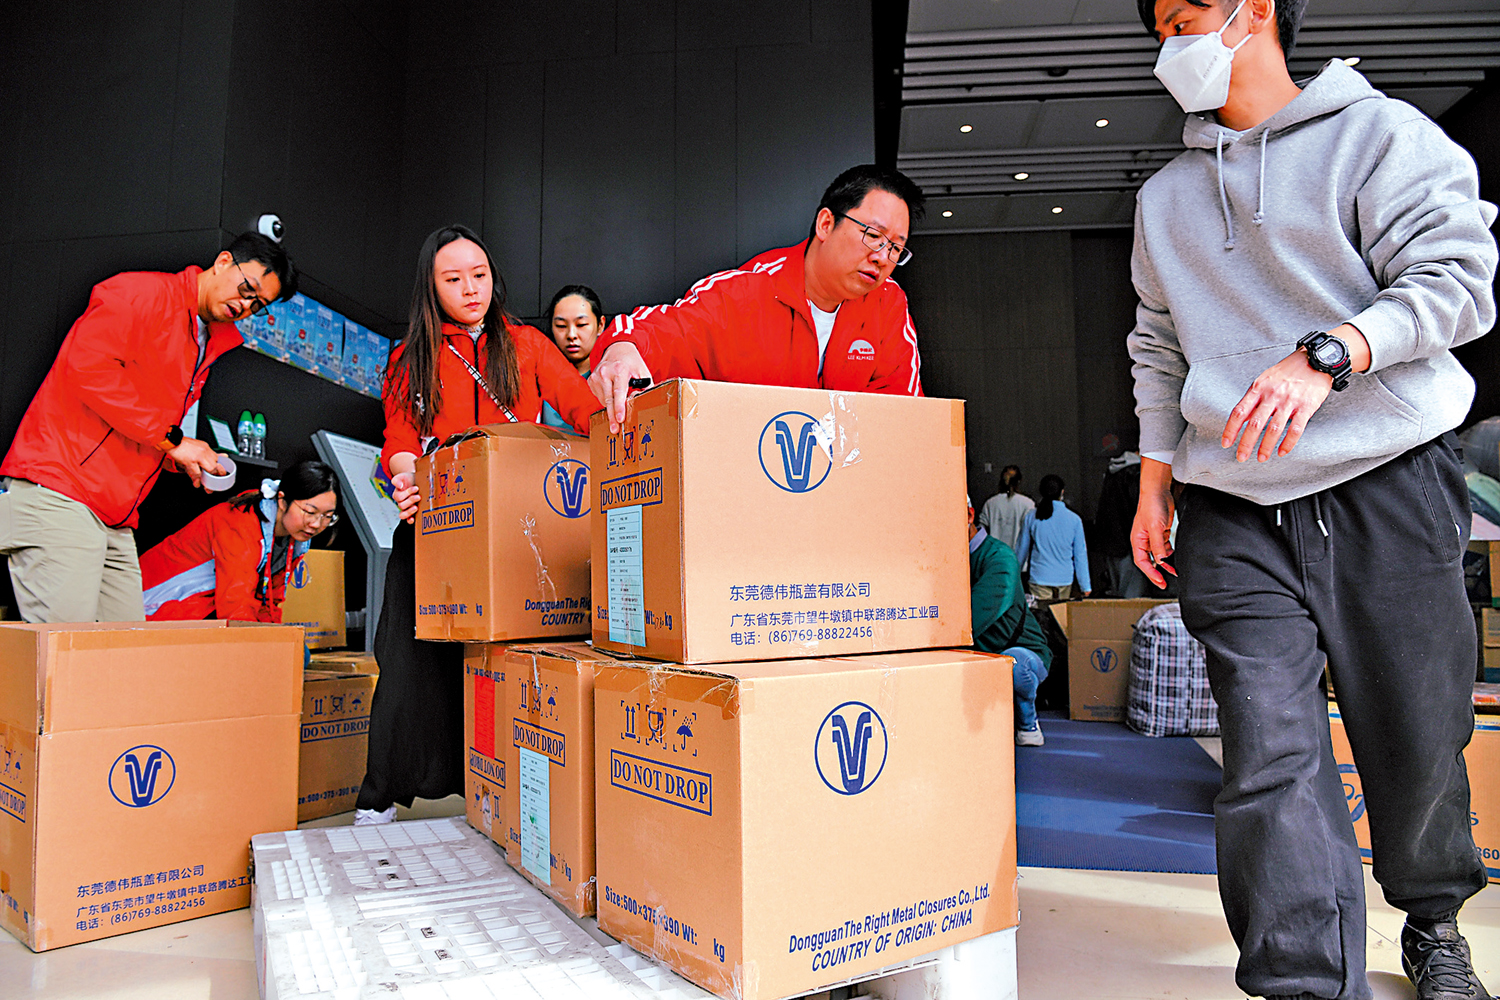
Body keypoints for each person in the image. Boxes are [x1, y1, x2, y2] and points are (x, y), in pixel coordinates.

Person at [1128, 1, 1497, 998]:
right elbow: (1157, 342)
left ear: (1255, 10)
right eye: (1161, 27)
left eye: (1187, 18)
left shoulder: (1380, 136)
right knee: (1267, 744)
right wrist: (1155, 482)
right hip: (1233, 500)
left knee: (1415, 730)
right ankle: (1304, 978)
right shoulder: (1165, 198)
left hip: (1386, 475)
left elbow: (1460, 279)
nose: (1172, 46)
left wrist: (1331, 354)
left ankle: (1432, 922)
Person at [357, 224, 600, 826]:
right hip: (436, 526)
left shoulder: (527, 344)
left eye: (480, 275)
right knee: (404, 662)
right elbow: (398, 441)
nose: (471, 289)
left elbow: (584, 410)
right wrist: (406, 479)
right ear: (431, 286)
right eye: (453, 279)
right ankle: (379, 797)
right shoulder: (408, 356)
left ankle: (494, 792)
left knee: (501, 664)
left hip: (518, 534)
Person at [0, 233, 297, 623]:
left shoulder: (205, 340)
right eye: (247, 289)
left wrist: (183, 457)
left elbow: (138, 424)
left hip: (116, 515)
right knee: (64, 648)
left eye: (257, 305)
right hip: (61, 490)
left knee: (128, 649)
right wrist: (174, 441)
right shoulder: (139, 293)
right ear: (224, 261)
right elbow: (88, 369)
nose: (245, 305)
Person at [588, 164, 926, 430]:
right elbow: (661, 331)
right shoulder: (743, 293)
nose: (882, 257)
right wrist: (621, 350)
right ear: (826, 224)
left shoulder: (888, 304)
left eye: (896, 248)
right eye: (873, 235)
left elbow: (904, 415)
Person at [138, 461, 338, 622]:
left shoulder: (294, 540)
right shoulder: (239, 524)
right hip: (155, 606)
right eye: (310, 512)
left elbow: (270, 601)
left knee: (295, 653)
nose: (315, 524)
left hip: (204, 611)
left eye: (327, 516)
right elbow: (234, 605)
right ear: (282, 500)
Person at [968, 497, 1053, 746]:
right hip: (981, 655)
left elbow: (973, 617)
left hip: (1022, 652)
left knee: (1014, 663)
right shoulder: (947, 559)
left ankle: (1028, 722)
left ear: (970, 516)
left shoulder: (1000, 558)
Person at [1015, 475, 1091, 603]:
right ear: (1062, 492)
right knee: (1061, 614)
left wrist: (1014, 576)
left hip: (1039, 578)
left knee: (1040, 614)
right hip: (1064, 579)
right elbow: (1080, 555)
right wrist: (1085, 585)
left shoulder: (1031, 516)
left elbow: (1021, 550)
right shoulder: (1074, 519)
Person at [541, 284, 605, 432]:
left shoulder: (610, 376)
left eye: (581, 325)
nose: (571, 335)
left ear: (600, 325)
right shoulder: (538, 378)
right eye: (561, 326)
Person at [977, 465, 1035, 553]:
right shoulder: (1028, 504)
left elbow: (981, 531)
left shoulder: (990, 503)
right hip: (1017, 557)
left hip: (995, 554)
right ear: (1019, 481)